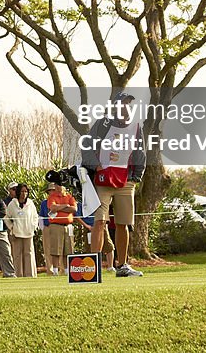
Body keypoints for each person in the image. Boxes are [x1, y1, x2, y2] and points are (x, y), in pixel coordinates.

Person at [84, 92, 146, 278]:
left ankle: (123, 266)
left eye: (129, 104)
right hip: (103, 180)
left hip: (126, 180)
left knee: (123, 223)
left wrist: (136, 176)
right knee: (100, 221)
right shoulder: (102, 124)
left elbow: (140, 152)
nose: (126, 107)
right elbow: (86, 146)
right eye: (122, 103)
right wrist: (97, 166)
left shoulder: (136, 127)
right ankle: (92, 268)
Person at [5, 183, 39, 277]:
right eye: (22, 191)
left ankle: (30, 275)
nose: (24, 194)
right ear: (18, 192)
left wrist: (33, 227)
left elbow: (35, 217)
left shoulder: (30, 203)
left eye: (26, 192)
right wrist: (12, 227)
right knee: (17, 255)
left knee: (29, 254)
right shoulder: (13, 203)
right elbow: (7, 217)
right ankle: (18, 275)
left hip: (28, 232)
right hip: (17, 233)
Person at [44, 181, 77, 276]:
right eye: (57, 185)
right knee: (56, 249)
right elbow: (53, 208)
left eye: (60, 185)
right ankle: (55, 270)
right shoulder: (52, 197)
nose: (58, 187)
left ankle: (67, 270)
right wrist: (66, 206)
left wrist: (60, 208)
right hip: (56, 225)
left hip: (68, 225)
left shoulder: (69, 196)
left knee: (68, 249)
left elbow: (74, 209)